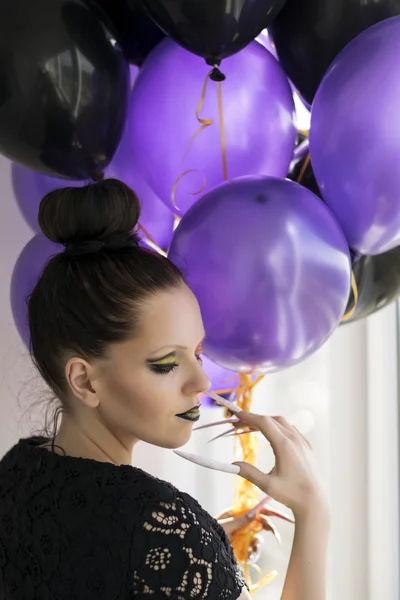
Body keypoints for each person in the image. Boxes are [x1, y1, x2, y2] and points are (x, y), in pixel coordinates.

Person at [0, 179, 330, 599]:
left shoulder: (17, 472)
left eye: (197, 351)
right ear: (84, 380)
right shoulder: (167, 529)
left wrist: (201, 556)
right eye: (166, 364)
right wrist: (313, 512)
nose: (202, 381)